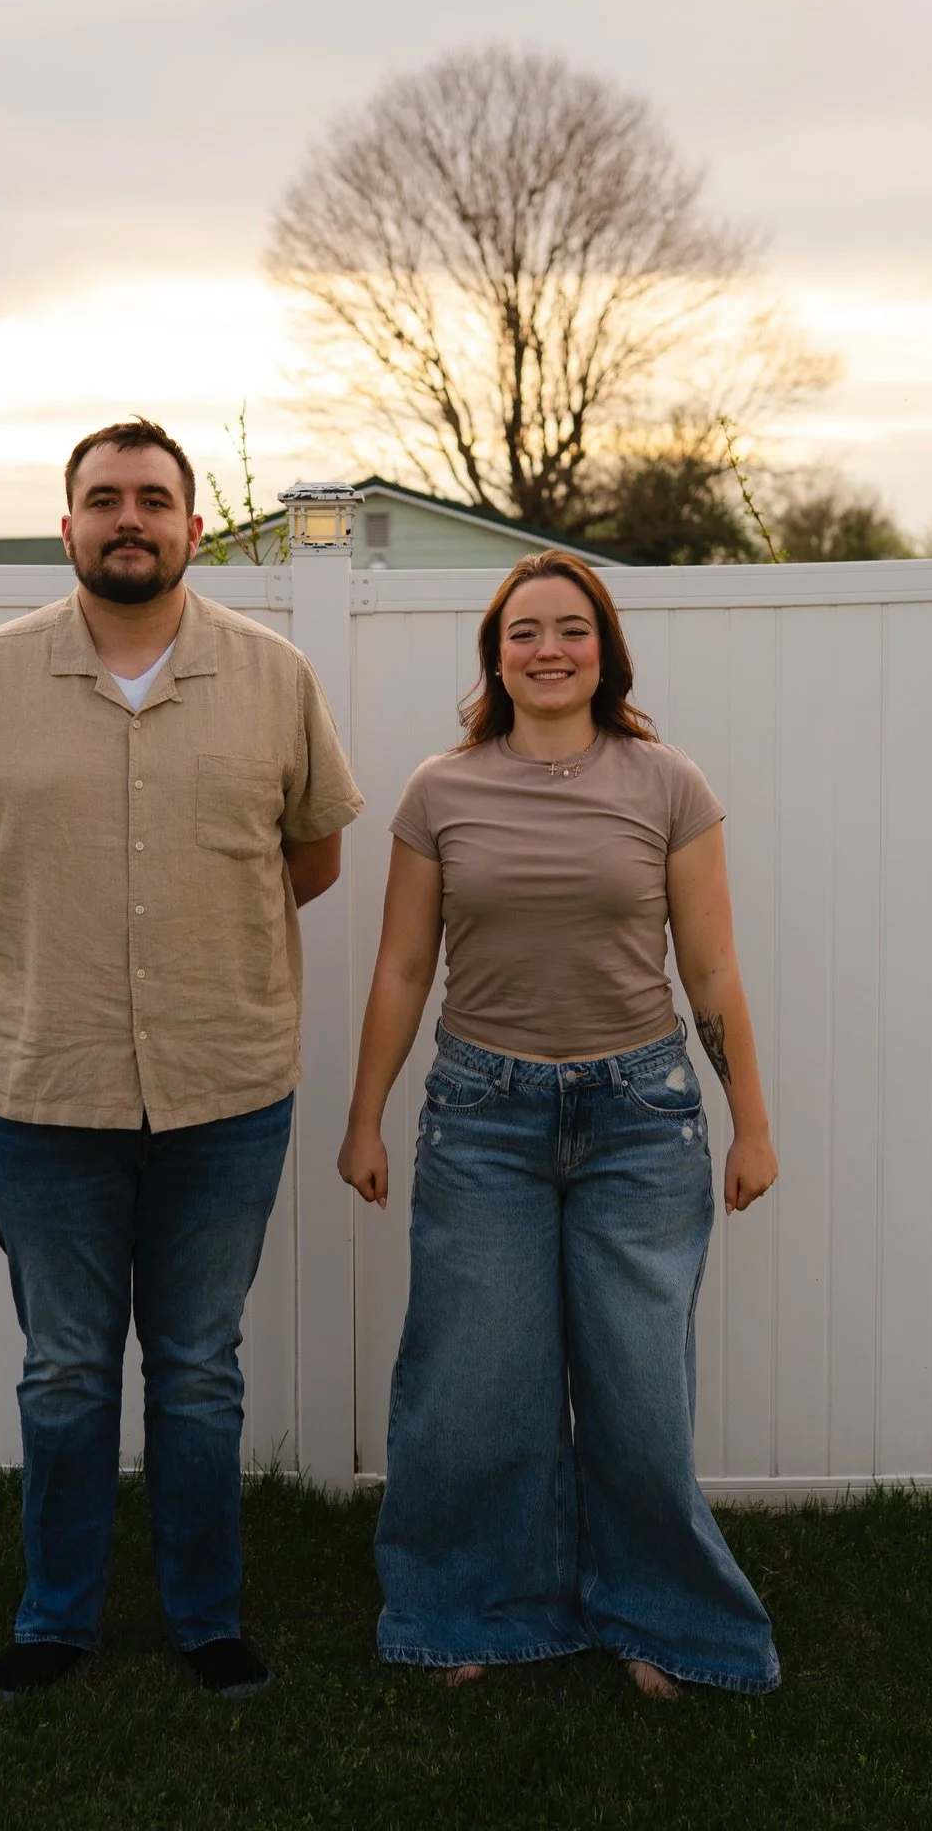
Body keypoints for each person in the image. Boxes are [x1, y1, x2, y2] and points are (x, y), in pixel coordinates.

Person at [0, 417, 362, 1701]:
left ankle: (208, 1617)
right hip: (43, 1088)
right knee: (66, 1369)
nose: (129, 518)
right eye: (105, 499)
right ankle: (59, 1619)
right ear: (70, 523)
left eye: (155, 498)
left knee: (201, 1373)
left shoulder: (275, 679)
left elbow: (309, 857)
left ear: (196, 527)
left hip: (227, 1087)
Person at [338, 549, 780, 1697]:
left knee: (640, 1388)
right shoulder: (440, 791)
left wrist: (754, 1127)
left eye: (571, 629)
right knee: (477, 1385)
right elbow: (399, 969)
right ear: (496, 653)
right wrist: (365, 1122)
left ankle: (663, 1622)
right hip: (483, 1117)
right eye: (524, 630)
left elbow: (714, 967)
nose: (548, 648)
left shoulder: (667, 782)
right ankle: (472, 1612)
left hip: (641, 1117)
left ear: (604, 649)